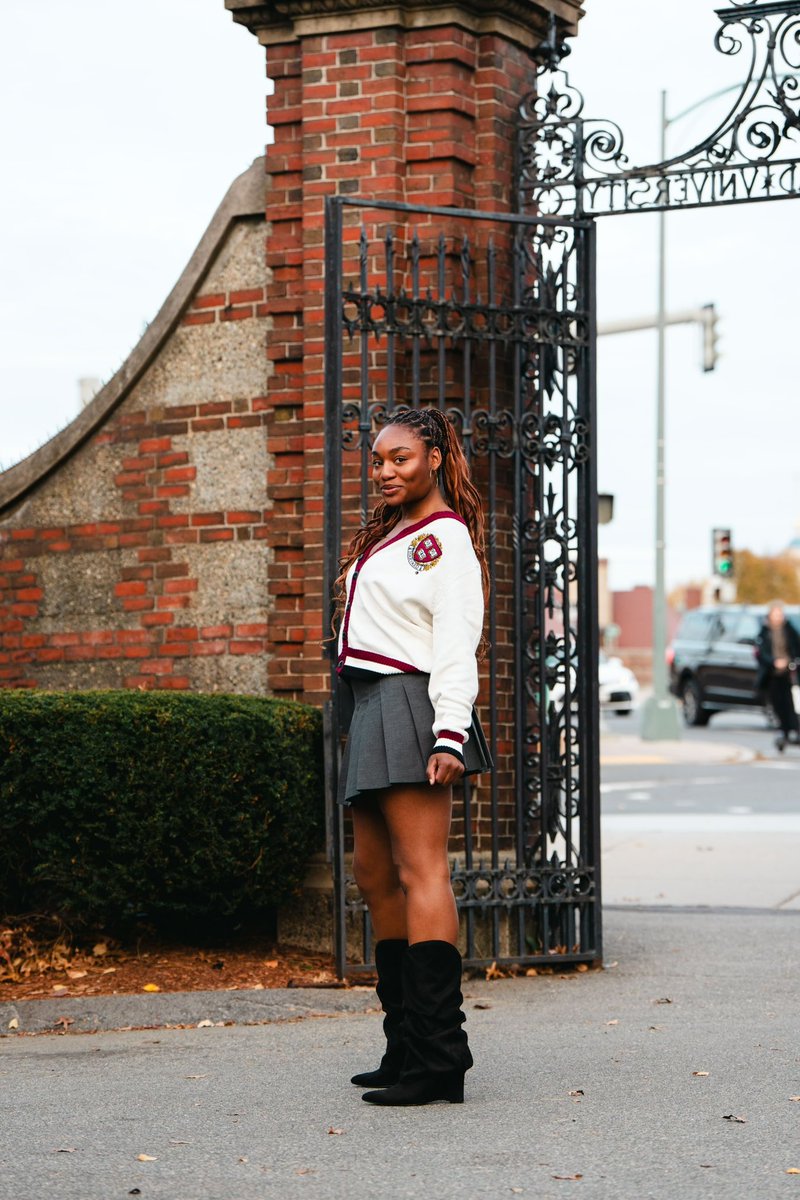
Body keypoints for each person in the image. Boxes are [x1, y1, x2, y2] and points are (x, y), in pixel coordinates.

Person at [333, 405, 492, 1107]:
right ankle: (403, 1044)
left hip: (411, 702)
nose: (385, 471)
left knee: (421, 870)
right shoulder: (392, 535)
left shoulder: (444, 537)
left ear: (434, 458)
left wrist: (449, 733)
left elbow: (457, 641)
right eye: (378, 460)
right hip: (369, 703)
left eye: (400, 458)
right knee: (374, 875)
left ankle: (439, 1057)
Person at [756, 601, 800, 752]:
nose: (777, 617)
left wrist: (790, 661)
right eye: (775, 614)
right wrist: (773, 662)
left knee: (790, 703)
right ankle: (782, 731)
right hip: (771, 674)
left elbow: (796, 648)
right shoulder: (764, 631)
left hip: (788, 673)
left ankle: (793, 730)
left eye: (779, 614)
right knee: (777, 704)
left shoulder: (789, 630)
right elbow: (761, 652)